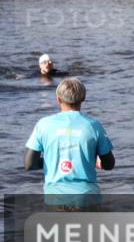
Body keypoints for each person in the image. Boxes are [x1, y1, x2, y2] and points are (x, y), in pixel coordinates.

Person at [24, 77, 115, 208]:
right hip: (86, 197)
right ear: (83, 98)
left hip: (54, 198)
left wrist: (52, 160)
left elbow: (29, 164)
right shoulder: (94, 126)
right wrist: (90, 161)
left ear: (58, 99)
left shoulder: (43, 125)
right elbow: (109, 164)